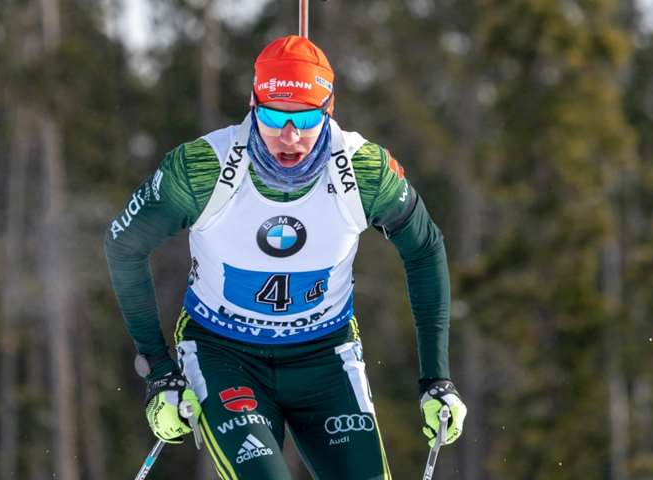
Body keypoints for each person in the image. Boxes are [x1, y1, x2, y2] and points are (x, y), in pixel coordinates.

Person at [105, 35, 467, 479]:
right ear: (253, 104)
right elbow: (124, 245)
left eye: (307, 117)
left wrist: (437, 379)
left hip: (325, 356)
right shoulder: (202, 169)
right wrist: (159, 372)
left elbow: (425, 247)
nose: (290, 135)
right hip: (223, 353)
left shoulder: (364, 171)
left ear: (329, 109)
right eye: (274, 116)